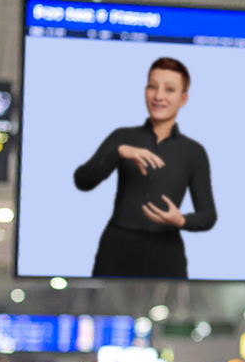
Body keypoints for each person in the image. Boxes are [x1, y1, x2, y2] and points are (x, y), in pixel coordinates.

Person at [74, 57, 217, 279]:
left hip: (167, 250)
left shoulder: (194, 152)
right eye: (153, 86)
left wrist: (181, 221)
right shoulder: (122, 137)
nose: (158, 96)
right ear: (145, 91)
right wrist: (119, 152)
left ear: (183, 98)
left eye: (169, 89)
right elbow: (82, 181)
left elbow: (208, 215)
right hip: (117, 246)